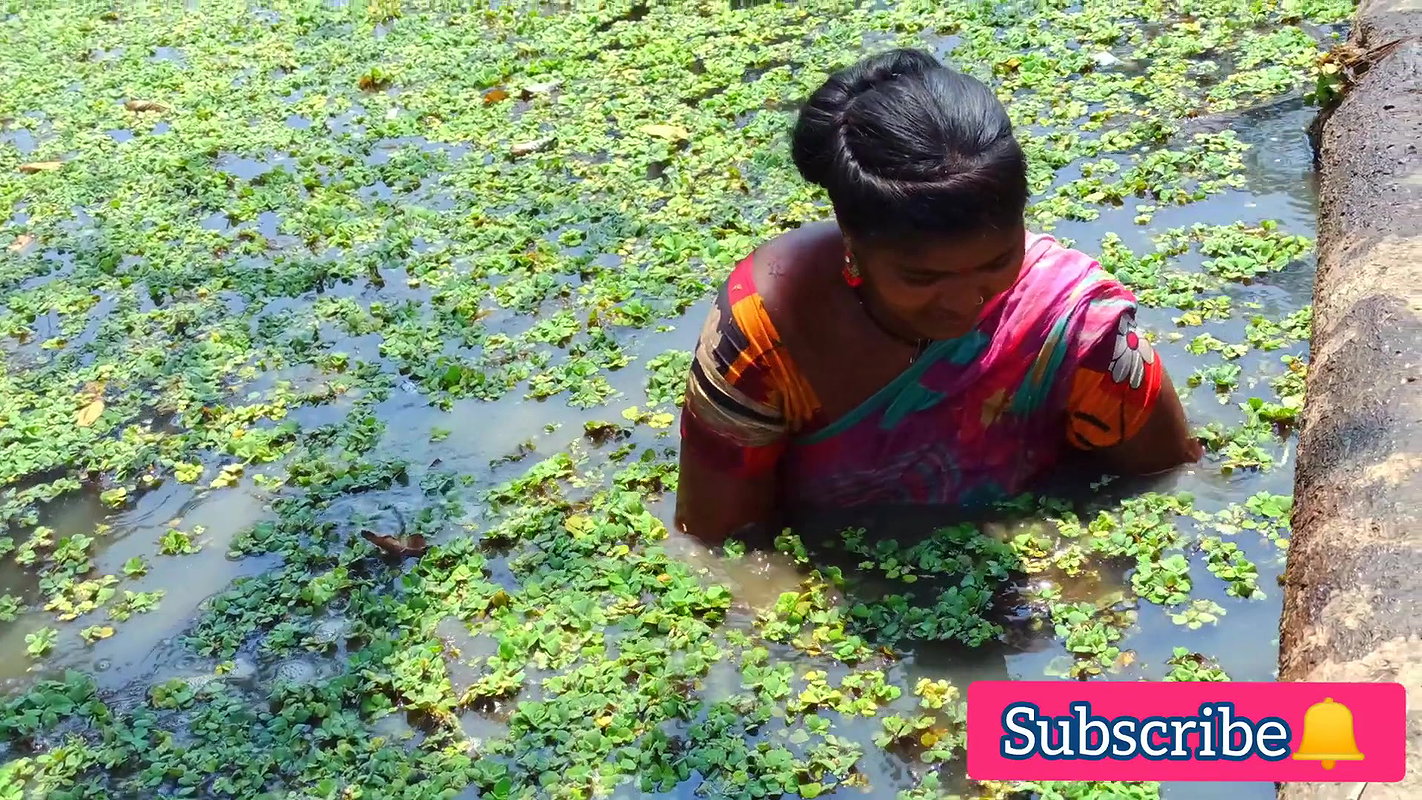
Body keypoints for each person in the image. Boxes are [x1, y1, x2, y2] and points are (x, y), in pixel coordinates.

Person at [672, 48, 1203, 546]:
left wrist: (1076, 567)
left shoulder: (1076, 328)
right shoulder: (764, 330)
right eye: (922, 279)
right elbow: (718, 543)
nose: (963, 303)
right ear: (851, 243)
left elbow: (1168, 481)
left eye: (996, 263)